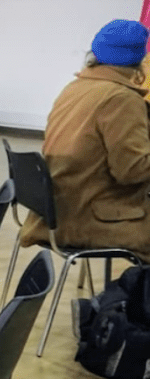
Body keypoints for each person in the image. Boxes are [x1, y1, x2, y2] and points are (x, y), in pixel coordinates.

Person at [20, 19, 150, 262]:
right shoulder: (122, 98)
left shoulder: (75, 87)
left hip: (57, 212)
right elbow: (131, 171)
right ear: (140, 61)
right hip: (88, 217)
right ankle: (128, 299)